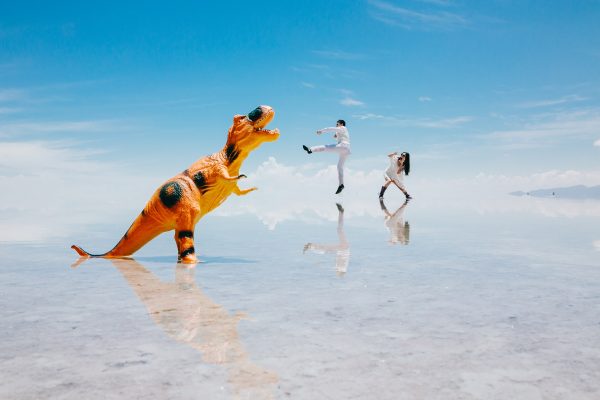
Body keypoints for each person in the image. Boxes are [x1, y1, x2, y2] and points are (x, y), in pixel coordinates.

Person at [302, 119, 350, 194]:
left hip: (342, 146)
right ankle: (341, 185)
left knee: (325, 147)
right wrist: (336, 135)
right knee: (339, 166)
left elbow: (330, 129)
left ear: (341, 124)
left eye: (337, 124)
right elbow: (337, 135)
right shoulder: (342, 131)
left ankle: (311, 149)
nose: (336, 126)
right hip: (346, 150)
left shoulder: (343, 128)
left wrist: (321, 131)